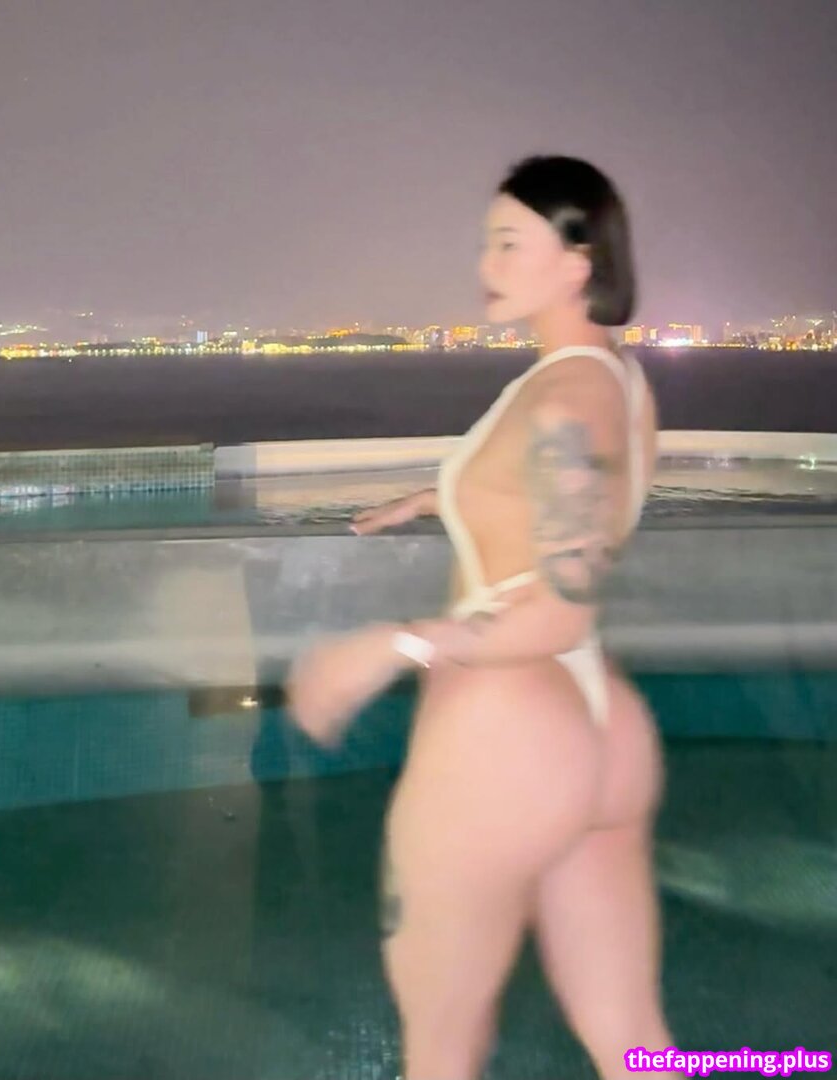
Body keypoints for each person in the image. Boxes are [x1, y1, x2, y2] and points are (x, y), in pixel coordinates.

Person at [287, 155, 681, 1080]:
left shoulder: (564, 398)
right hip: (604, 728)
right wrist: (442, 498)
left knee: (442, 1048)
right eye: (487, 243)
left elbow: (558, 606)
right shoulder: (614, 380)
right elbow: (567, 503)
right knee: (635, 1043)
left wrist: (393, 645)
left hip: (509, 718)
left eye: (509, 244)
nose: (486, 265)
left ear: (577, 262)